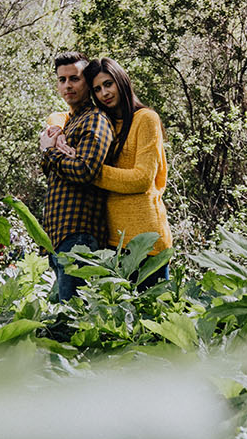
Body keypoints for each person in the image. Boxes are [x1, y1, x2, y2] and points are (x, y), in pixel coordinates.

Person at [53, 58, 172, 283]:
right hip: (112, 241)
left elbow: (142, 179)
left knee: (152, 305)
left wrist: (88, 170)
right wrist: (55, 129)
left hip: (146, 239)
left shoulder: (146, 119)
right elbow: (61, 115)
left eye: (108, 84)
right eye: (97, 89)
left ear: (121, 81)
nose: (104, 93)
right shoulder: (104, 120)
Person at [39, 52, 114, 301]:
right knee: (65, 311)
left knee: (75, 315)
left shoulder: (95, 119)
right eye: (62, 80)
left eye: (74, 78)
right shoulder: (69, 123)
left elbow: (84, 170)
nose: (67, 85)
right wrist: (53, 146)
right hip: (60, 234)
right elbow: (52, 168)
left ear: (88, 82)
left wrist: (49, 151)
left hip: (80, 234)